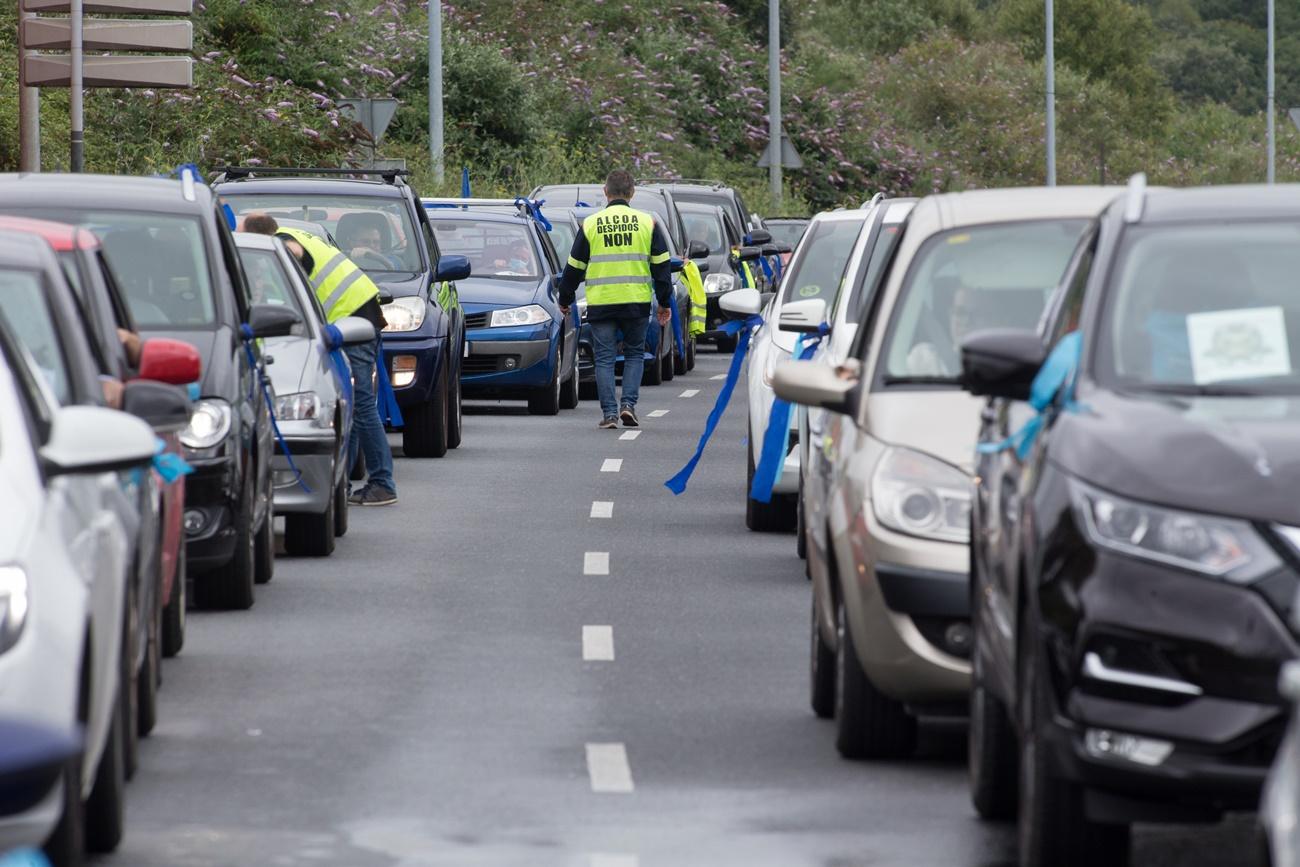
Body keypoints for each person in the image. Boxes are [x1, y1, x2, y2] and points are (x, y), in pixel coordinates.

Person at [246, 214, 398, 506]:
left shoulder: (285, 246)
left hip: (353, 319)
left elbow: (291, 282)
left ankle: (383, 483)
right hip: (352, 316)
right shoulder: (289, 235)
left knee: (363, 405)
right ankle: (343, 483)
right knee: (348, 403)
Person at [558, 170, 673, 429]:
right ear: (632, 193)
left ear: (605, 191)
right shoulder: (648, 223)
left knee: (605, 358)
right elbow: (662, 268)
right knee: (634, 354)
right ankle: (628, 406)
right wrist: (665, 302)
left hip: (602, 302)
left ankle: (609, 414)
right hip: (636, 302)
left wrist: (565, 299)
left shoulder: (591, 224)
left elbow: (574, 267)